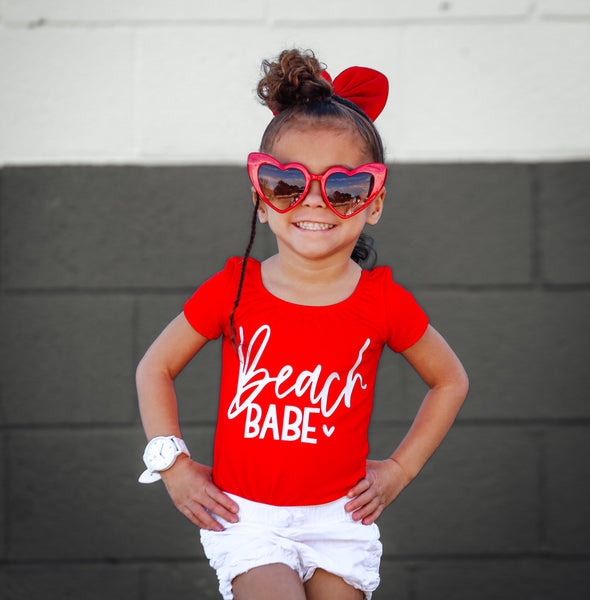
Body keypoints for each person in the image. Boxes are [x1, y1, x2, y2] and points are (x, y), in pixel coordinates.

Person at [136, 48, 469, 600]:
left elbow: (450, 380)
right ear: (261, 199)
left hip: (341, 521)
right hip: (247, 518)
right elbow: (156, 366)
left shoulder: (380, 301)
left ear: (374, 202)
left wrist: (399, 471)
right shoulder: (234, 288)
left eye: (342, 188)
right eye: (287, 182)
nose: (313, 201)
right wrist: (173, 464)